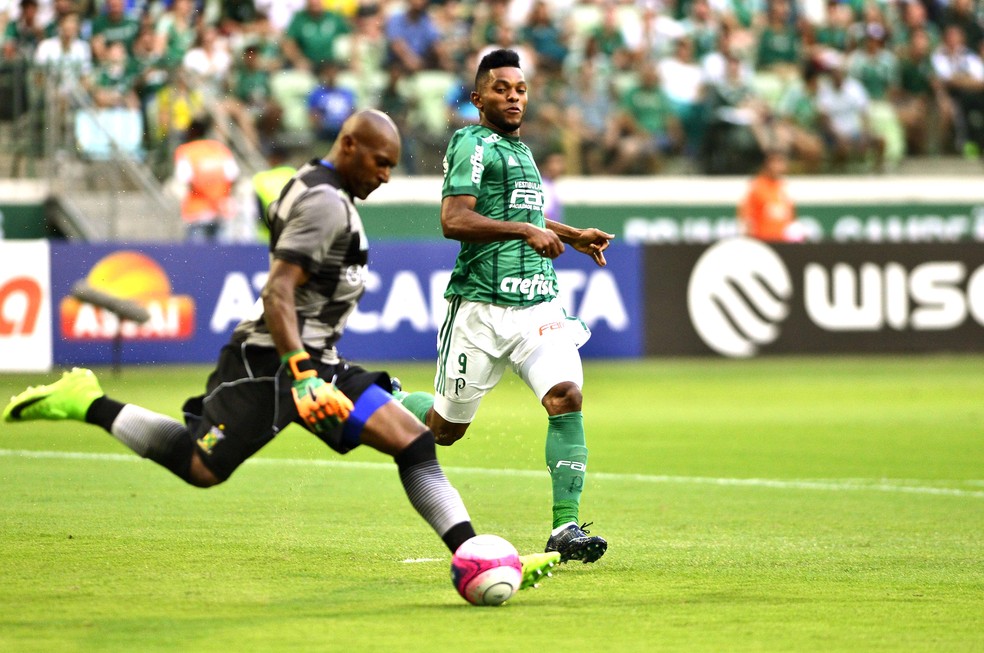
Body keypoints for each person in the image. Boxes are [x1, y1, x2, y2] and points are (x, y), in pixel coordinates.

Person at [2, 110, 559, 593]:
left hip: (317, 363)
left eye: (391, 165)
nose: (385, 176)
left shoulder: (315, 185)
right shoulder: (324, 205)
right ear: (348, 146)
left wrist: (313, 369)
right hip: (271, 366)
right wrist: (301, 373)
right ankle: (87, 401)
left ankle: (478, 557)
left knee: (412, 442)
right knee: (202, 467)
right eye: (380, 163)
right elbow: (277, 291)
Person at [395, 49, 613, 565]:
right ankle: (392, 398)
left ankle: (564, 528)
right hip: (479, 308)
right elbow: (454, 220)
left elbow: (526, 213)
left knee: (565, 396)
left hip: (537, 304)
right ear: (478, 98)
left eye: (520, 90)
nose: (513, 97)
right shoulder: (470, 143)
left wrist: (571, 235)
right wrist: (523, 231)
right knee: (445, 430)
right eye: (501, 89)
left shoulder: (522, 152)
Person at [172, 115, 240, 243]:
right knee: (222, 254)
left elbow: (186, 179)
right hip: (221, 211)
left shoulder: (186, 151)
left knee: (196, 254)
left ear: (192, 131)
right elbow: (233, 177)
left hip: (197, 211)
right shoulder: (220, 149)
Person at [738, 149, 803, 242]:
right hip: (763, 242)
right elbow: (747, 218)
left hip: (783, 242)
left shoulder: (782, 188)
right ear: (767, 163)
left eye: (781, 162)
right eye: (776, 162)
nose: (779, 167)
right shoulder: (757, 187)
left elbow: (790, 216)